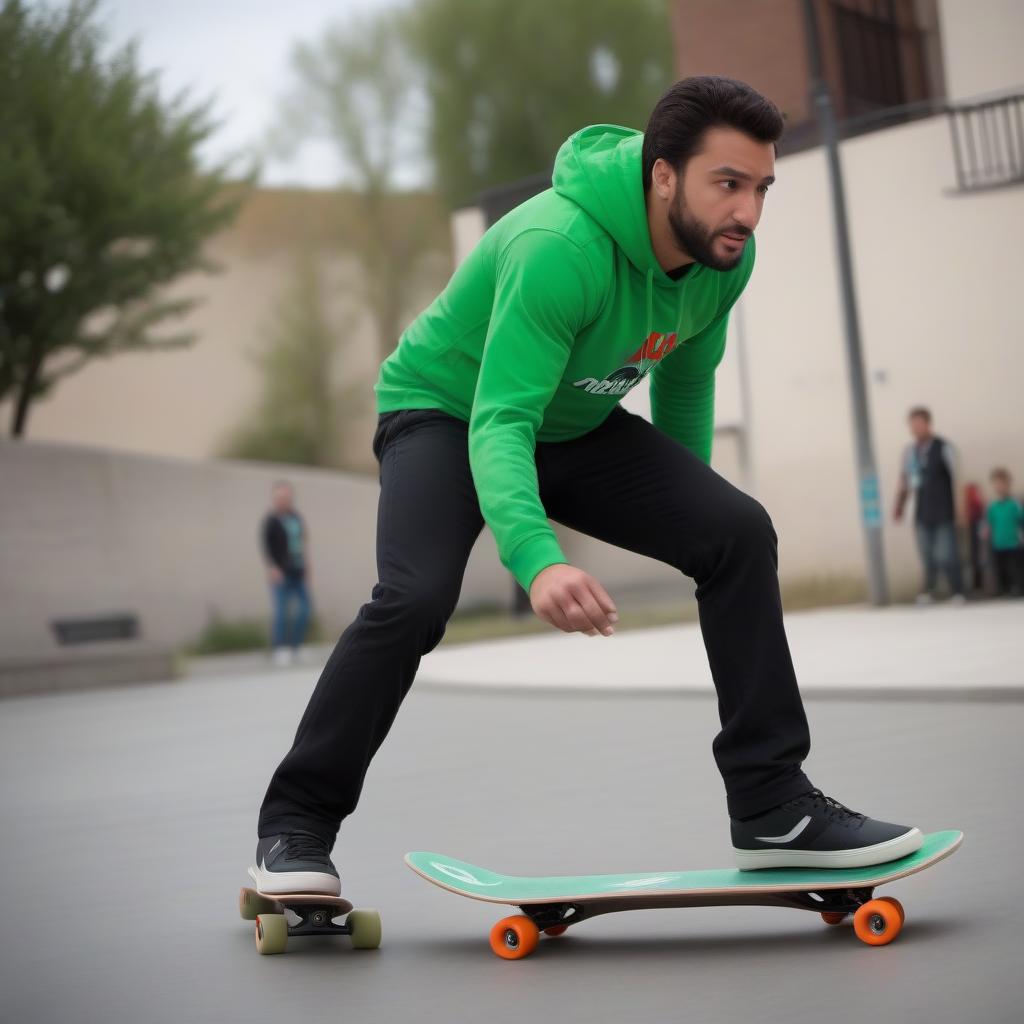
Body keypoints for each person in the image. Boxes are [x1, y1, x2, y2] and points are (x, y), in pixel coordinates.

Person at [251, 77, 923, 897]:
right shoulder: (558, 247)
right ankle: (295, 825)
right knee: (417, 596)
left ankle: (773, 804)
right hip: (447, 412)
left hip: (570, 420)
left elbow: (684, 385)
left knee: (738, 530)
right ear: (664, 175)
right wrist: (537, 560)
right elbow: (499, 422)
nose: (747, 211)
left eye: (760, 188)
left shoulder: (722, 264)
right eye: (728, 184)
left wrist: (690, 521)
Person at [893, 407, 967, 605]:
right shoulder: (910, 452)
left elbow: (956, 478)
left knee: (946, 553)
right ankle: (928, 591)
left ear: (928, 423)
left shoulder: (943, 447)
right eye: (912, 424)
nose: (915, 428)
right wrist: (899, 506)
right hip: (921, 510)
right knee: (926, 554)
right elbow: (905, 480)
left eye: (918, 423)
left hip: (944, 509)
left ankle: (957, 591)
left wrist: (960, 508)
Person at [260, 481, 313, 667]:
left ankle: (297, 646)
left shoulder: (296, 518)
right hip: (281, 573)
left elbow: (302, 543)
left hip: (298, 571)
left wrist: (307, 566)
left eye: (286, 497)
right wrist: (272, 567)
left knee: (305, 609)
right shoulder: (271, 521)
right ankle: (280, 649)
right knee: (282, 612)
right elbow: (267, 546)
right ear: (275, 499)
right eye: (280, 497)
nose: (283, 500)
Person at [982, 468, 1023, 597]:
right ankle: (1002, 589)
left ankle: (1018, 588)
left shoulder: (1014, 504)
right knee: (1000, 568)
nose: (999, 487)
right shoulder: (992, 506)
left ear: (1008, 484)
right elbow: (988, 523)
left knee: (1015, 568)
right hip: (998, 543)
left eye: (1002, 484)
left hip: (1013, 542)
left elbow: (1021, 519)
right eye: (997, 484)